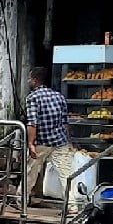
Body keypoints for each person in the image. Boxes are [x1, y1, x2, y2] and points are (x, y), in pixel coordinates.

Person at [25, 65, 75, 212]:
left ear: (35, 80)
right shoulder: (59, 96)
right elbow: (65, 122)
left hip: (42, 142)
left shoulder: (32, 98)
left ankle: (21, 200)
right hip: (60, 141)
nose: (29, 81)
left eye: (29, 78)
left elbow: (32, 123)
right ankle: (72, 205)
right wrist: (69, 141)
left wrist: (31, 143)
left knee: (31, 171)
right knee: (66, 174)